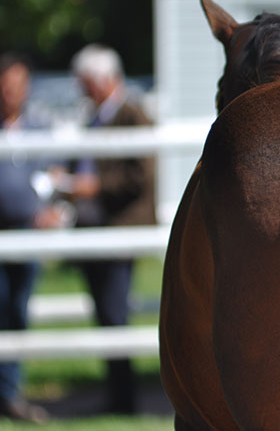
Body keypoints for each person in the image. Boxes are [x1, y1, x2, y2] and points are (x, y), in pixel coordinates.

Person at [63, 44, 156, 414]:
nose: (81, 89)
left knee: (115, 311)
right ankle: (116, 395)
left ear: (102, 80)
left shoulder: (134, 114)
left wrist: (94, 184)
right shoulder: (93, 116)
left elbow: (140, 175)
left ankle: (125, 399)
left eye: (84, 82)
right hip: (95, 226)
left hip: (121, 227)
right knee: (104, 311)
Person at [0, 53, 62, 424]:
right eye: (5, 85)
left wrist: (50, 209)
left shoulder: (39, 130)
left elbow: (56, 176)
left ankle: (9, 392)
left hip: (26, 232)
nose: (9, 92)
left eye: (16, 85)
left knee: (17, 310)